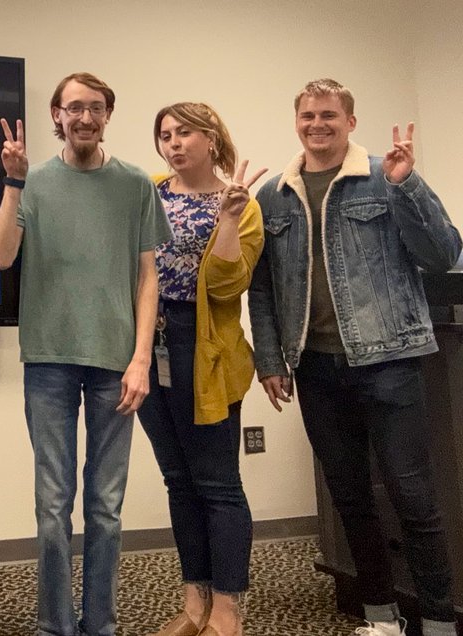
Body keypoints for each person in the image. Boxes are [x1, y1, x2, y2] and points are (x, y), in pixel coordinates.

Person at [248, 79, 461, 636]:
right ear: (296, 121)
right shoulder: (274, 194)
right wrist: (269, 359)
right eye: (308, 115)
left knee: (413, 497)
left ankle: (439, 621)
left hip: (389, 362)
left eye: (329, 115)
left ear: (350, 120)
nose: (318, 124)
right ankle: (380, 615)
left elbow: (443, 253)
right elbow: (264, 287)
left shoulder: (385, 177)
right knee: (351, 498)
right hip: (315, 369)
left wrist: (408, 184)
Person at [0, 72, 172, 636]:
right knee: (52, 507)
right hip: (47, 360)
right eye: (74, 108)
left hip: (116, 363)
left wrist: (141, 358)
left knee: (106, 508)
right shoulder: (34, 181)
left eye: (96, 108)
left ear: (108, 115)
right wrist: (13, 183)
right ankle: (54, 627)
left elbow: (148, 279)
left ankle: (101, 626)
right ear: (56, 115)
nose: (85, 118)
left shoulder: (136, 184)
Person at [136, 102, 266, 636]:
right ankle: (195, 602)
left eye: (184, 132)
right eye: (165, 134)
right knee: (177, 481)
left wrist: (230, 217)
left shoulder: (242, 204)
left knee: (217, 483)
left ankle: (228, 609)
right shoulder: (149, 190)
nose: (173, 143)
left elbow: (227, 285)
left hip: (206, 346)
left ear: (212, 139)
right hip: (150, 341)